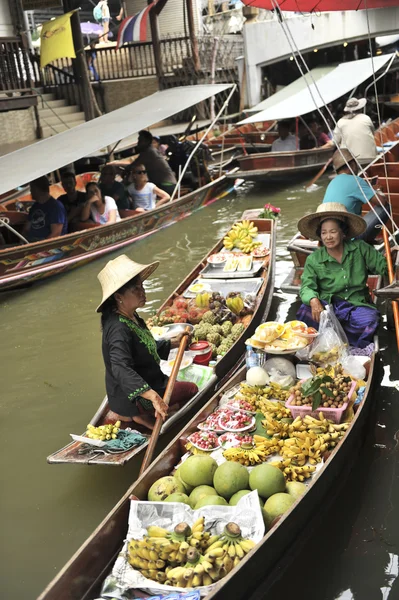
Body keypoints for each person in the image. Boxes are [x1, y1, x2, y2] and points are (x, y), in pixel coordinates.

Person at [97, 255, 198, 430]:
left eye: (142, 286)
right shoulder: (118, 329)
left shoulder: (130, 316)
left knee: (173, 391)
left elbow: (143, 347)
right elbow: (120, 367)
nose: (143, 292)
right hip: (132, 397)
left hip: (145, 381)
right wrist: (152, 396)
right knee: (191, 389)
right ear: (119, 296)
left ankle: (141, 414)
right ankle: (138, 414)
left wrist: (174, 343)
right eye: (136, 289)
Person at [296, 203, 387, 348]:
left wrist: (392, 257)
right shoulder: (314, 259)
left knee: (370, 319)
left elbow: (383, 268)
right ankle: (326, 342)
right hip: (329, 305)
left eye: (333, 231)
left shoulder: (360, 248)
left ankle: (352, 346)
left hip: (356, 304)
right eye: (324, 233)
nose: (328, 237)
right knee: (304, 311)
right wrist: (313, 300)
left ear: (343, 233)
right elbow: (306, 287)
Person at [323, 148, 390, 242]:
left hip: (334, 235)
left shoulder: (332, 183)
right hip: (351, 238)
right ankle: (365, 243)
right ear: (352, 164)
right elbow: (381, 202)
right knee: (385, 207)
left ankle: (369, 241)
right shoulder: (356, 181)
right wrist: (378, 191)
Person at [333, 98, 377, 164]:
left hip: (351, 161)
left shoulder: (340, 122)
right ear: (360, 108)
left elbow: (335, 142)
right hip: (370, 158)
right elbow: (373, 134)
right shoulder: (366, 118)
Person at [23, 176, 68, 242]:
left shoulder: (56, 206)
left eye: (31, 188)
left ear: (37, 189)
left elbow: (55, 234)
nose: (30, 191)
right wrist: (22, 241)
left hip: (47, 245)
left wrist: (37, 248)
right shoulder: (35, 206)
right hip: (31, 241)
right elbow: (26, 228)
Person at [133, 130, 177, 194]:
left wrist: (127, 168)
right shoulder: (145, 151)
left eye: (140, 140)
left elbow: (136, 164)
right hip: (161, 182)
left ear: (146, 141)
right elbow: (135, 162)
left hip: (166, 184)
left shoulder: (150, 152)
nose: (138, 143)